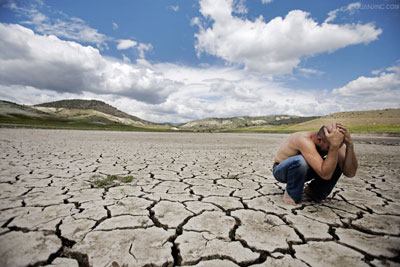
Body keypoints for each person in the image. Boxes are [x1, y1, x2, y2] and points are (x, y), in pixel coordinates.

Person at [272, 123, 358, 205]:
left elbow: (350, 173)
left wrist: (349, 145)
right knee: (301, 161)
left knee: (335, 162)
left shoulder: (334, 143)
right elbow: (325, 175)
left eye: (338, 145)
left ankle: (314, 192)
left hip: (306, 171)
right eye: (329, 146)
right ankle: (291, 193)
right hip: (282, 171)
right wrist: (333, 147)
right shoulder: (304, 139)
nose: (334, 147)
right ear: (319, 139)